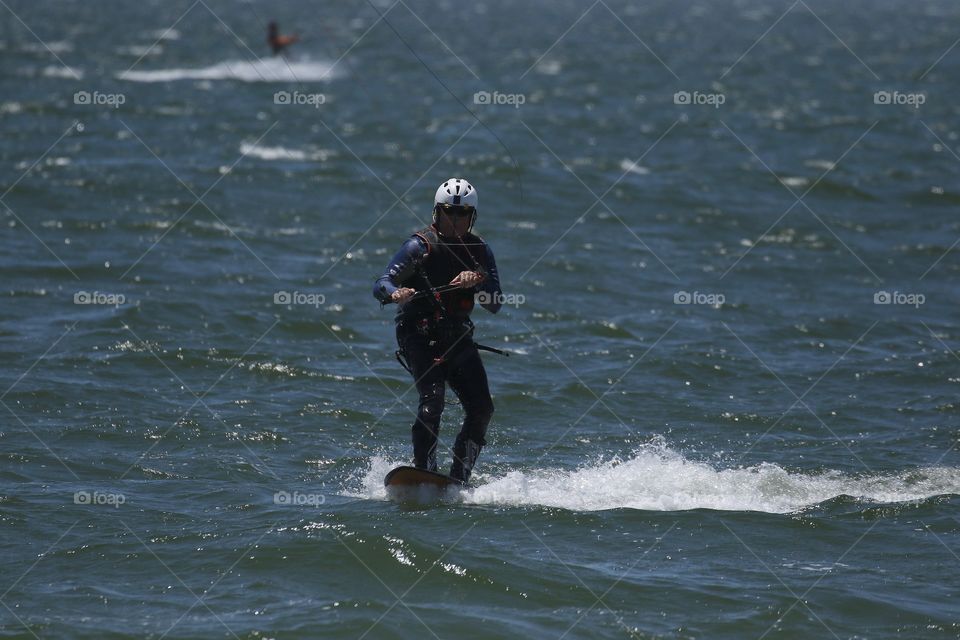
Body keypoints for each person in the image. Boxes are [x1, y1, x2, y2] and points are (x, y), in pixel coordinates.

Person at [373, 178, 502, 484]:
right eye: (448, 213)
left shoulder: (480, 252)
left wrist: (478, 282)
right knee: (433, 403)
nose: (454, 221)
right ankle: (425, 470)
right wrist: (394, 294)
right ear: (436, 212)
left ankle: (459, 478)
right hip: (417, 335)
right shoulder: (419, 246)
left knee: (482, 408)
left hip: (456, 336)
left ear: (472, 217)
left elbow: (494, 303)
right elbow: (381, 282)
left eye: (462, 215)